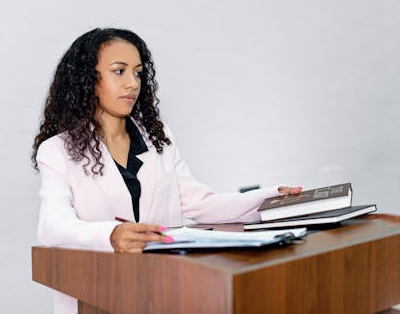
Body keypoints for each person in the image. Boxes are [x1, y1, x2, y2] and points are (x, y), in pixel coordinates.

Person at [31, 27, 302, 314]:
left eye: (137, 72)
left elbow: (200, 203)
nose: (132, 83)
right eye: (119, 71)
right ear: (87, 79)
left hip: (161, 291)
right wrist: (111, 235)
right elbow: (52, 226)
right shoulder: (57, 150)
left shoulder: (158, 139)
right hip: (97, 295)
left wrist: (270, 199)